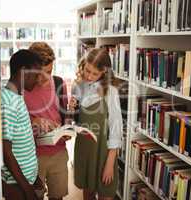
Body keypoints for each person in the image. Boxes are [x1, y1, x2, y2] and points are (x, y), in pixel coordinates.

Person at [70, 48, 123, 200]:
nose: (89, 76)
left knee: (106, 192)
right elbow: (77, 121)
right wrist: (72, 108)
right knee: (88, 194)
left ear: (104, 73)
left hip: (104, 151)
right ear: (83, 65)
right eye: (87, 70)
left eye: (94, 73)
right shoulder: (78, 86)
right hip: (85, 148)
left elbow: (115, 127)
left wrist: (110, 163)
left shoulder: (110, 91)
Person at [23, 42, 69, 200]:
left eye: (49, 71)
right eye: (41, 74)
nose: (46, 78)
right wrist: (34, 121)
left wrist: (66, 131)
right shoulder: (21, 88)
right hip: (33, 156)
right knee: (35, 196)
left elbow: (65, 115)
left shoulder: (58, 83)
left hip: (59, 153)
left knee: (58, 196)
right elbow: (13, 123)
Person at [1, 49, 43, 200]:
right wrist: (27, 188)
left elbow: (24, 144)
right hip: (17, 186)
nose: (39, 80)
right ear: (23, 71)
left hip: (25, 181)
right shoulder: (9, 102)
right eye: (36, 74)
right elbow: (6, 151)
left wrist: (34, 177)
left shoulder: (16, 97)